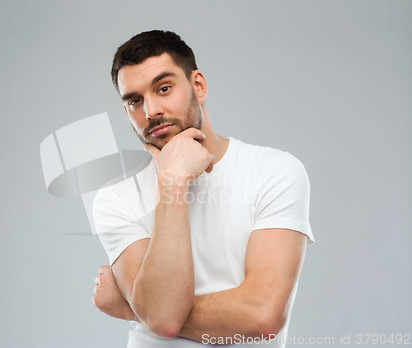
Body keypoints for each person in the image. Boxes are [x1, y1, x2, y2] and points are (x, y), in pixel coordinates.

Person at [91, 30, 315, 347]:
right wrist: (172, 181)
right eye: (135, 101)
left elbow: (262, 316)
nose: (150, 110)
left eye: (164, 88)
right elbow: (161, 317)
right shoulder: (115, 198)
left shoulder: (274, 171)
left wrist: (134, 309)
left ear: (198, 86)